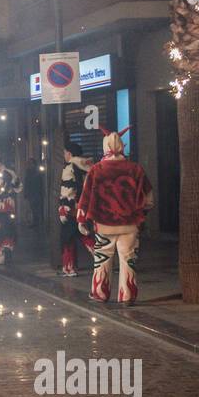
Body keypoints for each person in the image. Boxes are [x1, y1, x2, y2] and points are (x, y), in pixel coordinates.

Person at [75, 127, 153, 305]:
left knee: (102, 258)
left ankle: (100, 293)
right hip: (130, 224)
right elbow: (148, 199)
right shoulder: (136, 169)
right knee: (128, 260)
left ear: (105, 147)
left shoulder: (96, 170)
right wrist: (141, 215)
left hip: (104, 224)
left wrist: (81, 219)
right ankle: (127, 295)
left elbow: (85, 198)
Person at [58, 142, 93, 277]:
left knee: (68, 237)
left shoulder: (70, 167)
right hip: (83, 206)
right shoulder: (87, 166)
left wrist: (64, 206)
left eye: (65, 153)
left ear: (70, 154)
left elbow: (67, 189)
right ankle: (102, 259)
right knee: (82, 233)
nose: (64, 155)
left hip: (71, 207)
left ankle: (69, 268)